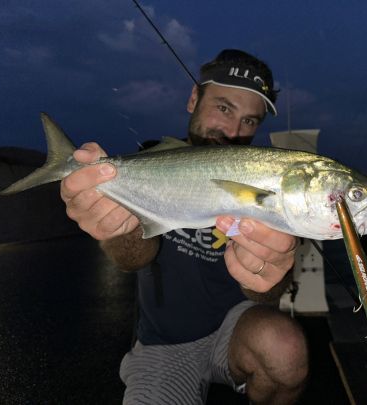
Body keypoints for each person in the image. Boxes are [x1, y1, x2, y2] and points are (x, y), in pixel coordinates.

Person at [60, 49, 309, 404]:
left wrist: (273, 274)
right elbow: (133, 258)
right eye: (224, 108)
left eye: (250, 121)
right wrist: (119, 227)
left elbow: (267, 294)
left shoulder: (264, 179)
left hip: (238, 327)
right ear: (194, 98)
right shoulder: (146, 164)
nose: (234, 132)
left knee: (284, 349)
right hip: (164, 341)